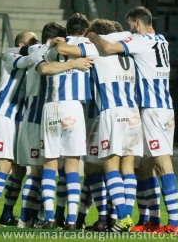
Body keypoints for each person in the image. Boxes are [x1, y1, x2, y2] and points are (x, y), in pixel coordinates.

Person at [86, 6, 178, 235]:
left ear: (138, 24)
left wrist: (91, 35)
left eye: (130, 25)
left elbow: (108, 47)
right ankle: (153, 221)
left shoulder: (141, 40)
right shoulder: (160, 40)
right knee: (145, 167)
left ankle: (175, 225)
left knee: (162, 163)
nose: (130, 30)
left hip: (152, 109)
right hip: (164, 107)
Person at [53, 18, 143, 232]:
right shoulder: (127, 52)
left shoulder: (96, 48)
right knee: (127, 168)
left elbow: (65, 48)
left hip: (112, 112)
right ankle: (125, 218)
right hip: (133, 113)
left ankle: (122, 218)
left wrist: (59, 41)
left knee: (110, 166)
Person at [15, 21, 94, 230]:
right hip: (74, 107)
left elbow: (44, 69)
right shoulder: (87, 45)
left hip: (50, 108)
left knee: (49, 164)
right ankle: (70, 221)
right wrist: (75, 63)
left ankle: (49, 217)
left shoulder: (49, 48)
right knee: (72, 167)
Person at [0, 31, 39, 227]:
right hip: (3, 115)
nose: (36, 43)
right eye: (32, 41)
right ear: (21, 43)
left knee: (19, 169)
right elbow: (27, 60)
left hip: (19, 119)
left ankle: (7, 214)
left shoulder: (31, 57)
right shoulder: (12, 54)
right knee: (4, 166)